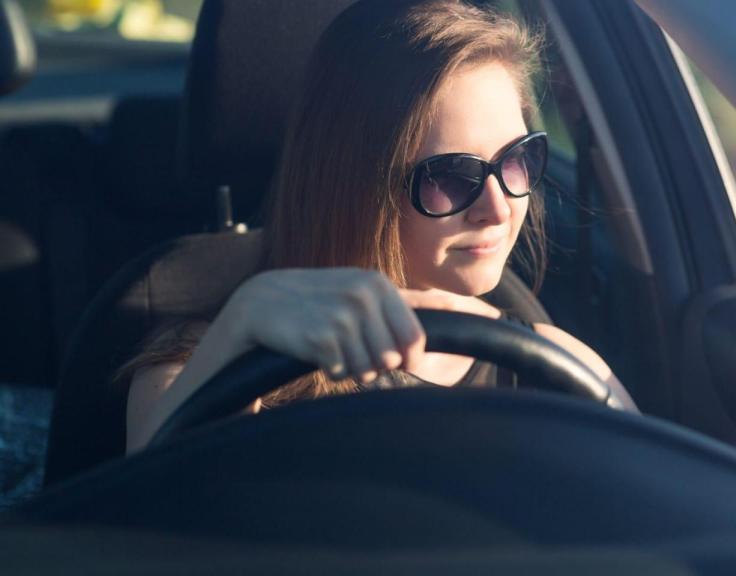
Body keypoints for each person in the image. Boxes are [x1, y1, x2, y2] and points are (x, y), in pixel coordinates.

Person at [123, 0, 636, 452]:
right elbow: (156, 532)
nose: (499, 209)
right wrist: (239, 337)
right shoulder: (188, 373)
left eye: (518, 159)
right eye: (451, 176)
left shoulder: (557, 368)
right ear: (354, 183)